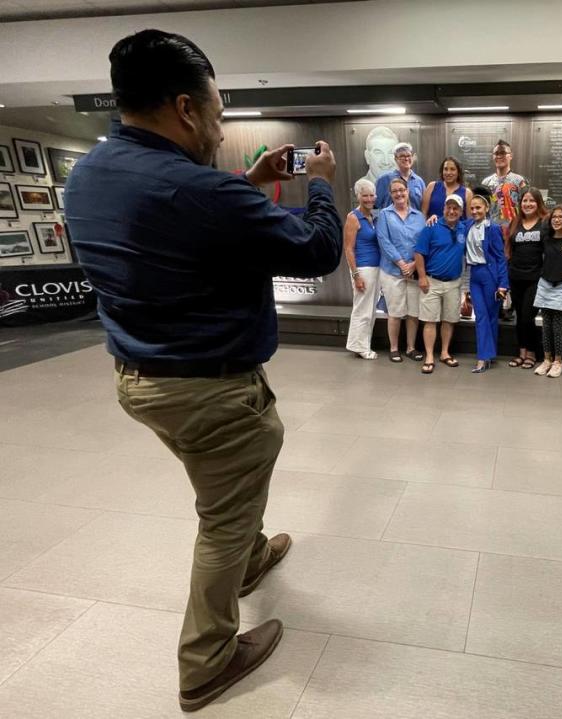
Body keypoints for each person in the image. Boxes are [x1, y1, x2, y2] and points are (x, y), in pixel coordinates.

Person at [63, 30, 342, 712]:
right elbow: (316, 250)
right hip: (207, 387)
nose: (219, 133)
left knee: (223, 486)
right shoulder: (199, 189)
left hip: (141, 377)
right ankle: (206, 659)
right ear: (185, 107)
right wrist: (321, 187)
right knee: (222, 513)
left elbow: (177, 225)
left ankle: (249, 556)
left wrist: (251, 183)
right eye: (217, 115)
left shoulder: (89, 175)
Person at [414, 194, 468, 373]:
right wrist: (421, 277)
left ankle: (445, 353)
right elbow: (419, 253)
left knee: (448, 320)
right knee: (430, 321)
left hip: (453, 283)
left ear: (461, 211)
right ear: (443, 208)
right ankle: (430, 356)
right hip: (431, 281)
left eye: (456, 208)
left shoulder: (464, 228)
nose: (452, 211)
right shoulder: (431, 226)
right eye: (449, 208)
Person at [376, 177, 426, 362]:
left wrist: (413, 264)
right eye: (395, 191)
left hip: (414, 271)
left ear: (407, 191)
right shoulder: (384, 215)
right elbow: (383, 240)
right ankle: (394, 348)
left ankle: (411, 348)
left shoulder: (419, 216)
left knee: (413, 312)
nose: (399, 193)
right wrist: (401, 263)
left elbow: (423, 242)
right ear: (391, 194)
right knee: (395, 312)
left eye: (401, 190)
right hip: (391, 271)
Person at [463, 190, 509, 373]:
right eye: (472, 208)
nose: (474, 211)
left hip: (491, 275)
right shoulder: (466, 226)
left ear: (487, 208)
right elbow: (449, 222)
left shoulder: (494, 228)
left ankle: (487, 355)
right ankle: (484, 356)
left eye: (478, 207)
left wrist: (503, 284)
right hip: (475, 275)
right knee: (481, 316)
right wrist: (432, 218)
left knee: (490, 317)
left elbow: (500, 258)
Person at [533, 204, 562, 378]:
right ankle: (546, 359)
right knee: (545, 323)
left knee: (557, 324)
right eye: (554, 217)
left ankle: (558, 362)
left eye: (561, 217)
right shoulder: (546, 238)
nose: (557, 220)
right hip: (545, 283)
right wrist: (548, 217)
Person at [504, 188, 548, 369]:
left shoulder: (545, 223)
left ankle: (531, 353)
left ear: (538, 203)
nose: (528, 204)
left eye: (531, 201)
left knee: (528, 317)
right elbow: (508, 249)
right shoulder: (515, 222)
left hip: (535, 278)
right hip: (516, 276)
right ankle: (521, 352)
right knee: (519, 317)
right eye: (524, 201)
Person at [344, 178, 380, 359]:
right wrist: (356, 275)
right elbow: (348, 249)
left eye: (371, 195)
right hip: (363, 269)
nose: (369, 199)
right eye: (365, 195)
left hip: (376, 269)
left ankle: (362, 344)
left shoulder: (373, 217)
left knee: (370, 310)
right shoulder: (353, 217)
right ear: (358, 196)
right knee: (362, 310)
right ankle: (360, 347)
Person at [482, 139, 528, 226]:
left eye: (503, 153)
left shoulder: (520, 181)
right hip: (491, 231)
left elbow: (526, 207)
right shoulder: (486, 183)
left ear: (510, 156)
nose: (499, 156)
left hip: (513, 230)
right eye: (496, 153)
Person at [375, 142, 426, 210]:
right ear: (395, 159)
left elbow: (425, 207)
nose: (406, 159)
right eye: (402, 156)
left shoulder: (419, 181)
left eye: (409, 156)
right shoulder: (384, 180)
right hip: (390, 220)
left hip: (415, 220)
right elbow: (375, 206)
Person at [422, 156, 473, 222]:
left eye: (452, 169)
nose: (448, 173)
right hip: (434, 230)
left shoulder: (467, 193)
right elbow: (423, 213)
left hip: (457, 231)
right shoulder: (432, 186)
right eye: (446, 169)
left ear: (458, 172)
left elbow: (470, 220)